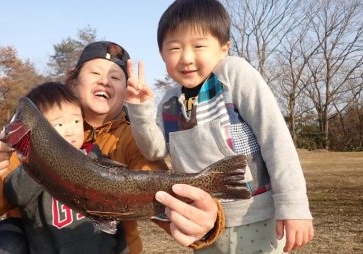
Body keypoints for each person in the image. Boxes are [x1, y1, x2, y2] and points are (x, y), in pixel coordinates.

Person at [0, 40, 225, 254]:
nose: (105, 80)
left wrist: (204, 218)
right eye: (95, 72)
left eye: (116, 77)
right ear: (73, 82)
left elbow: (154, 182)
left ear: (126, 91)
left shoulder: (131, 138)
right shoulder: (40, 131)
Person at [124, 0, 314, 253]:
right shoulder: (169, 100)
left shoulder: (234, 74)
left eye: (199, 45)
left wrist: (293, 205)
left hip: (254, 215)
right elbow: (154, 152)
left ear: (224, 48)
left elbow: (275, 138)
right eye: (174, 48)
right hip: (202, 222)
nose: (187, 58)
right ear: (161, 54)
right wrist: (139, 109)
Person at [3, 81, 130, 253]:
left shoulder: (97, 160)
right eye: (59, 124)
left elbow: (114, 219)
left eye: (76, 120)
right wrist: (40, 159)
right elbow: (17, 194)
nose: (70, 130)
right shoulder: (32, 165)